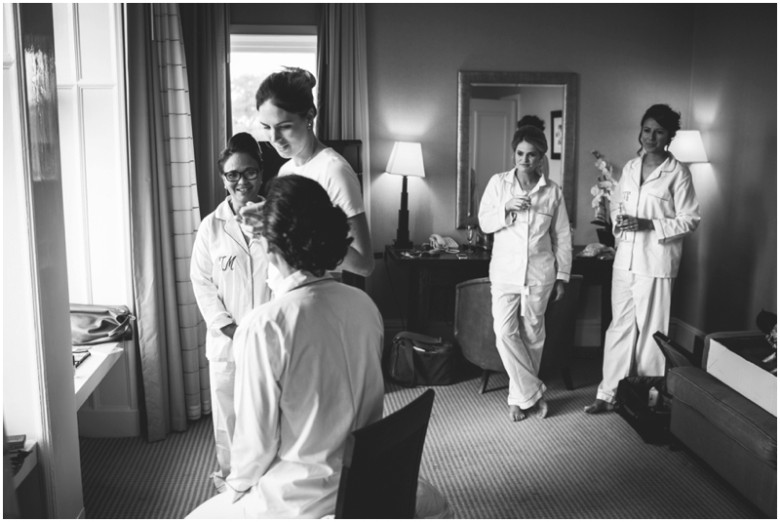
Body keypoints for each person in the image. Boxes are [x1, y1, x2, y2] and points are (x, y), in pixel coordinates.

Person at [187, 175, 384, 519]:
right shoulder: (364, 305)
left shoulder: (265, 326)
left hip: (299, 499)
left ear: (267, 245)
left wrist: (236, 487)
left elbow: (255, 448)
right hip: (364, 484)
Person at [584, 104, 701, 414]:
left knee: (651, 333)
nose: (651, 136)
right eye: (647, 129)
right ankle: (607, 394)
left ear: (669, 137)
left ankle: (646, 399)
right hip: (625, 260)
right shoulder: (632, 167)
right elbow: (616, 205)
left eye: (658, 131)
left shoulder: (678, 174)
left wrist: (651, 224)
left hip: (656, 262)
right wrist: (620, 221)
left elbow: (690, 219)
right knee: (619, 326)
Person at [190, 133, 273, 491]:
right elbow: (201, 282)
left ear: (261, 173)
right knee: (229, 417)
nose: (241, 181)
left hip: (270, 337)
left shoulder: (276, 219)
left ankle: (267, 478)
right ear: (223, 178)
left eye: (249, 172)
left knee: (269, 411)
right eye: (232, 175)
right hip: (226, 341)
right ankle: (230, 479)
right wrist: (228, 328)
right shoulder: (211, 226)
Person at [478, 124, 572, 422]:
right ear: (514, 153)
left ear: (541, 157)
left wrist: (562, 276)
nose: (524, 160)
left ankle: (517, 400)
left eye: (532, 155)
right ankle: (534, 393)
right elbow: (484, 222)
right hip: (504, 274)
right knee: (505, 333)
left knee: (533, 336)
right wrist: (506, 207)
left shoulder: (552, 191)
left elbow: (562, 237)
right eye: (520, 153)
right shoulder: (498, 183)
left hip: (539, 275)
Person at [250, 66, 374, 277]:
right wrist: (265, 222)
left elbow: (364, 264)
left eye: (285, 126)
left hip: (318, 299)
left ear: (309, 116)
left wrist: (302, 236)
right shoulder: (286, 170)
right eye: (266, 127)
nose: (274, 138)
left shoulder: (334, 171)